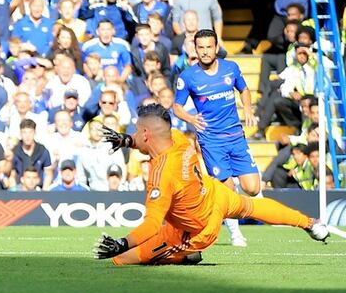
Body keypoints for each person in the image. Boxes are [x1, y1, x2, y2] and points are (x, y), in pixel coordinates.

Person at [93, 104, 328, 266]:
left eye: (136, 131)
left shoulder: (162, 175)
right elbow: (149, 138)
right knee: (253, 206)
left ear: (146, 133)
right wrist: (127, 140)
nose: (134, 134)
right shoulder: (177, 137)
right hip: (215, 193)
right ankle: (310, 223)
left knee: (122, 259)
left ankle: (186, 255)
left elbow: (152, 225)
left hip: (198, 229)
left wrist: (122, 244)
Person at [172, 29, 258, 248]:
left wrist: (247, 108)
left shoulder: (231, 68)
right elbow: (176, 107)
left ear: (216, 47)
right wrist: (191, 118)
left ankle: (243, 207)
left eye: (209, 47)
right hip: (211, 140)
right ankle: (236, 234)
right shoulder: (188, 77)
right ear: (195, 49)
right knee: (227, 190)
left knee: (253, 188)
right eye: (200, 47)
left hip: (236, 136)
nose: (205, 52)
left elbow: (244, 89)